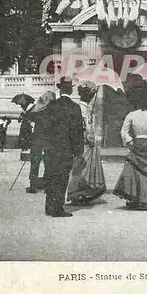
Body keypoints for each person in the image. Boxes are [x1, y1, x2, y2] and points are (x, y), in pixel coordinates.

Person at [113, 84, 147, 211]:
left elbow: (124, 131)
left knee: (135, 170)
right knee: (146, 172)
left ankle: (134, 198)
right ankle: (146, 200)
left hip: (136, 142)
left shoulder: (131, 115)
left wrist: (129, 142)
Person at [45, 77, 84, 217]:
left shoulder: (51, 105)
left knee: (51, 176)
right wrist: (79, 150)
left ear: (60, 89)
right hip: (66, 148)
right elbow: (78, 131)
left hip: (51, 147)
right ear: (71, 89)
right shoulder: (75, 107)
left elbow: (45, 127)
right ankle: (57, 209)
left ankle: (49, 206)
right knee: (62, 178)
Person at [66, 82, 106, 205]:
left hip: (88, 142)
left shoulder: (87, 108)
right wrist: (91, 137)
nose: (91, 97)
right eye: (90, 94)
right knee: (81, 169)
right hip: (84, 142)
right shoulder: (81, 108)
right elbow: (86, 127)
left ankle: (85, 193)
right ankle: (76, 194)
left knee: (87, 169)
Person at [23, 91, 56, 194]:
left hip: (37, 139)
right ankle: (47, 186)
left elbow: (28, 116)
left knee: (35, 162)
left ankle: (33, 185)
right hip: (48, 140)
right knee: (48, 163)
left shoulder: (37, 109)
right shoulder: (53, 111)